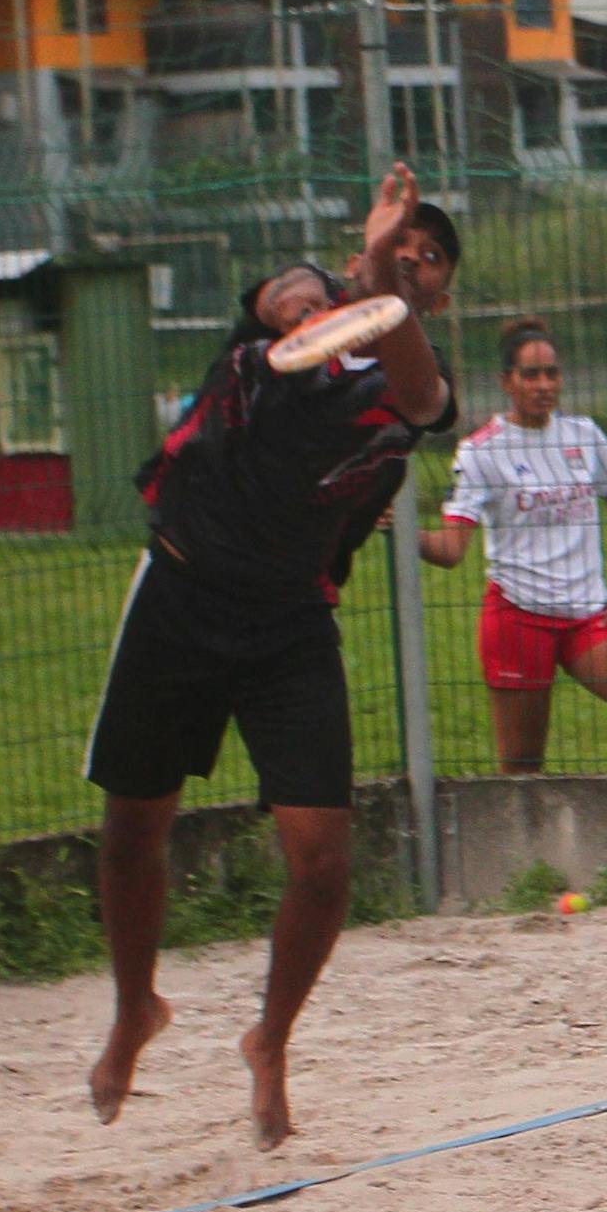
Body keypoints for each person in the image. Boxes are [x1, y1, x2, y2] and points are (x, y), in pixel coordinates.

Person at [82, 162, 456, 1150]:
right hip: (181, 591)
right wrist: (329, 288)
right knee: (131, 830)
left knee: (323, 862)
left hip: (288, 620)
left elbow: (416, 394)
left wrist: (383, 276)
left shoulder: (410, 383)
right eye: (397, 249)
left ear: (437, 291)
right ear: (346, 267)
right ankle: (135, 1007)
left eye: (427, 262)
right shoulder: (278, 334)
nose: (411, 263)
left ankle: (270, 1039)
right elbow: (279, 306)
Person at [422, 318, 607, 774]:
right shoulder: (480, 451)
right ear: (506, 381)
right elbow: (451, 550)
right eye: (531, 375)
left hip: (587, 619)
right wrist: (400, 530)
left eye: (552, 373)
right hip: (518, 619)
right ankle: (527, 849)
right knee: (523, 769)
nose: (545, 385)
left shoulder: (583, 435)